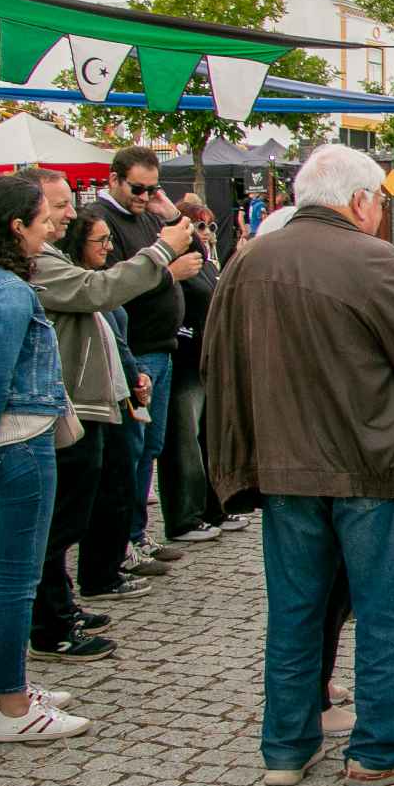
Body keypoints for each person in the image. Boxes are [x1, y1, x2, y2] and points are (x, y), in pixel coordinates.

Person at [204, 145, 394, 786]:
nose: (381, 212)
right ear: (361, 200)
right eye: (381, 201)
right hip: (370, 465)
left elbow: (218, 364)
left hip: (286, 467)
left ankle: (286, 746)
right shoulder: (371, 260)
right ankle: (376, 756)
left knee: (297, 609)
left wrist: (237, 457)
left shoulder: (248, 261)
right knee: (391, 613)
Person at [24, 175, 186, 661]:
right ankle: (48, 624)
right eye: (57, 206)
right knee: (56, 525)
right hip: (65, 407)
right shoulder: (35, 264)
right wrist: (161, 252)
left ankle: (58, 609)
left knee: (74, 514)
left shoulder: (47, 258)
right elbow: (97, 292)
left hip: (88, 401)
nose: (69, 213)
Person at [0, 175, 87, 742]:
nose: (52, 227)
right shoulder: (10, 291)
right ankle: (14, 706)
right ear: (17, 226)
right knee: (16, 579)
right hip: (18, 442)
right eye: (44, 218)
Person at [95, 146, 186, 570]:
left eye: (153, 188)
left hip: (160, 348)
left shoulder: (149, 215)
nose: (145, 196)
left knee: (149, 447)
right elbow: (112, 284)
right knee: (130, 451)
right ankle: (122, 544)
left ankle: (137, 533)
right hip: (135, 351)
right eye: (138, 188)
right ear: (114, 179)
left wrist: (170, 212)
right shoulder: (102, 221)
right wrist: (168, 275)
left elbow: (189, 247)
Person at [159, 204, 235, 543]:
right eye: (199, 227)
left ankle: (212, 507)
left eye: (210, 226)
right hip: (186, 359)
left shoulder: (205, 264)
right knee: (184, 440)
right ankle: (185, 515)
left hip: (206, 359)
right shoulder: (178, 264)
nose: (206, 233)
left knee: (206, 438)